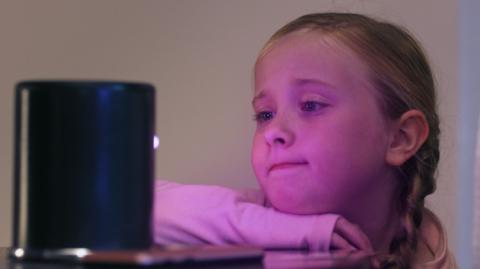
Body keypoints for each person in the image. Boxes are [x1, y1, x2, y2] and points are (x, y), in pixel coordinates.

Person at [153, 13, 457, 268]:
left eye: (311, 105)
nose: (273, 132)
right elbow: (137, 206)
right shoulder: (251, 221)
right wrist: (302, 232)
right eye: (265, 115)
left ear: (400, 138)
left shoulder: (430, 255)